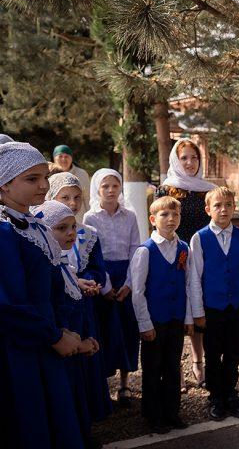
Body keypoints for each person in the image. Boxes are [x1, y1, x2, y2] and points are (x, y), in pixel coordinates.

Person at [0, 141, 83, 449]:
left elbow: (53, 285)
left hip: (47, 338)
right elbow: (9, 305)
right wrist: (53, 336)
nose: (43, 186)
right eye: (31, 179)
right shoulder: (4, 231)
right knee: (28, 421)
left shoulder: (38, 226)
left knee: (56, 420)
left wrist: (61, 328)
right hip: (21, 347)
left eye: (44, 177)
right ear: (4, 184)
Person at [32, 200, 102, 449]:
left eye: (73, 226)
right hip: (63, 353)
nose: (71, 233)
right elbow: (55, 315)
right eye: (61, 228)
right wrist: (79, 343)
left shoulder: (63, 265)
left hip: (75, 353)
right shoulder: (48, 269)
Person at [46, 172, 114, 424]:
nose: (72, 203)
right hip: (61, 312)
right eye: (65, 197)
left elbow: (97, 266)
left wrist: (92, 281)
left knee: (87, 357)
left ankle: (89, 415)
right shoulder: (44, 233)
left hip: (84, 307)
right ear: (51, 197)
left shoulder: (89, 233)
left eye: (77, 197)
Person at [188, 186, 239, 421]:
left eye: (228, 205)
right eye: (217, 205)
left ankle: (230, 393)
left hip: (234, 306)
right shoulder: (200, 238)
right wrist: (197, 312)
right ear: (208, 210)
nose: (223, 209)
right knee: (214, 353)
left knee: (234, 352)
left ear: (234, 207)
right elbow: (195, 278)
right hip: (211, 308)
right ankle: (215, 396)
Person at [155, 138, 216, 389]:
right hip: (174, 257)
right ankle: (175, 366)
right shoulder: (166, 190)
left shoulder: (207, 190)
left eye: (194, 158)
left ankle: (198, 362)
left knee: (199, 310)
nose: (190, 163)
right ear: (175, 160)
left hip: (202, 258)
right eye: (184, 158)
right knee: (178, 311)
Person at [130, 196, 193, 433]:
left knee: (172, 366)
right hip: (154, 320)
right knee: (153, 368)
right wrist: (145, 324)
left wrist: (187, 318)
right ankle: (153, 414)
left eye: (175, 215)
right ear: (153, 219)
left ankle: (172, 411)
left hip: (175, 318)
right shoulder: (145, 251)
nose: (170, 219)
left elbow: (187, 285)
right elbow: (138, 291)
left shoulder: (184, 248)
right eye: (164, 215)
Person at [83, 168, 141, 406]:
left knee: (127, 328)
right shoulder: (90, 217)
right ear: (97, 189)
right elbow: (90, 253)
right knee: (106, 329)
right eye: (105, 186)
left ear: (120, 188)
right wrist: (105, 286)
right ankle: (104, 384)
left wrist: (128, 283)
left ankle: (126, 383)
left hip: (125, 274)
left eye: (114, 186)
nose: (110, 190)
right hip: (101, 275)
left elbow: (135, 249)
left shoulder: (130, 216)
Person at [52, 145, 90, 223]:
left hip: (79, 219)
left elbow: (87, 197)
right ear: (54, 158)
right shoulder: (49, 174)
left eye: (67, 156)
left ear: (71, 158)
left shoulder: (82, 173)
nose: (63, 159)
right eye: (60, 156)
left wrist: (89, 218)